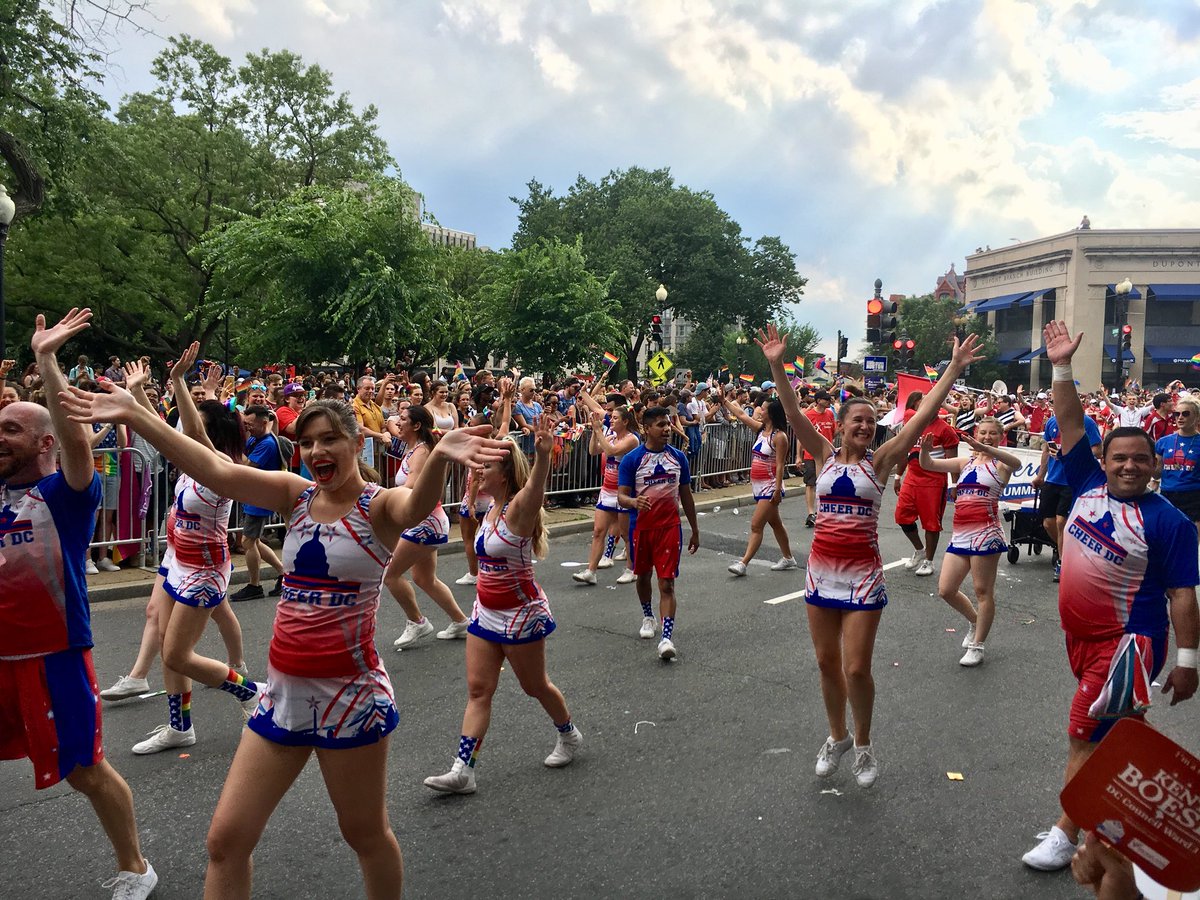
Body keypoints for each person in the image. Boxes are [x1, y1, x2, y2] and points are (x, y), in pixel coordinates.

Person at [61, 362, 508, 899]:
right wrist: (140, 414)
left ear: (354, 443)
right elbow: (215, 470)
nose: (318, 452)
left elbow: (415, 506)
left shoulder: (378, 507)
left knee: (364, 835)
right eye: (308, 442)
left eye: (330, 440)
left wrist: (436, 457)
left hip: (351, 697)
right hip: (282, 697)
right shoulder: (296, 496)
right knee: (225, 840)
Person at [760, 322, 983, 789]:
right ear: (841, 426)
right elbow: (792, 410)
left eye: (869, 421)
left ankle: (862, 744)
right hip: (820, 574)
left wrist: (954, 370)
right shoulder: (821, 455)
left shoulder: (879, 461)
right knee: (825, 664)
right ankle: (836, 737)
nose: (864, 425)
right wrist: (778, 364)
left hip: (863, 577)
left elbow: (922, 418)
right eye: (855, 420)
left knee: (856, 666)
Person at [1021, 320, 1198, 872]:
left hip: (1129, 646)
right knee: (1120, 731)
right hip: (1080, 639)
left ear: (1155, 465)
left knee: (1083, 731)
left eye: (1140, 459)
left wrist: (1189, 661)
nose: (1128, 465)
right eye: (1118, 457)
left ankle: (1065, 831)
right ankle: (1157, 817)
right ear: (1102, 461)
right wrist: (1062, 367)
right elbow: (1071, 418)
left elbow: (1182, 596)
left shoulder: (1169, 523)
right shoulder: (1084, 483)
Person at [1, 309, 158, 898]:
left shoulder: (64, 495)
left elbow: (76, 445)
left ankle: (136, 867)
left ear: (43, 442)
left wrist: (46, 361)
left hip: (53, 654)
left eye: (11, 429)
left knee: (85, 771)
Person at [423, 412, 582, 795]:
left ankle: (569, 734)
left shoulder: (517, 510)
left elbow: (535, 491)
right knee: (479, 690)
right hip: (486, 612)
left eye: (487, 466)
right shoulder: (490, 509)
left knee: (535, 686)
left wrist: (543, 456)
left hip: (520, 615)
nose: (479, 470)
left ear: (506, 475)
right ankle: (463, 770)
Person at [121, 347, 258, 755]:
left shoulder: (224, 464)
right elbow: (158, 429)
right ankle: (180, 728)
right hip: (176, 562)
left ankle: (252, 691)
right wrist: (137, 392)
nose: (188, 424)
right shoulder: (193, 457)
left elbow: (192, 435)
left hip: (204, 569)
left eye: (197, 419)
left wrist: (179, 381)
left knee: (178, 654)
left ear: (212, 430)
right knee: (167, 646)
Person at [917, 418, 1021, 666]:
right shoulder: (966, 462)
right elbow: (929, 464)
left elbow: (1016, 463)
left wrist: (987, 449)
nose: (987, 437)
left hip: (987, 534)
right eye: (983, 433)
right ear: (976, 433)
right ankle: (975, 621)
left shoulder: (1000, 464)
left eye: (992, 434)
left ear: (1000, 437)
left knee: (982, 591)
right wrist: (924, 448)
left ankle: (978, 645)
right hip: (961, 534)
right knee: (946, 589)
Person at [617, 406, 700, 659]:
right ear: (647, 429)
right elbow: (620, 496)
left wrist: (695, 530)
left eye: (668, 424)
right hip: (640, 528)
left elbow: (686, 495)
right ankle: (648, 615)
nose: (667, 429)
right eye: (661, 425)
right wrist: (633, 502)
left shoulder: (678, 458)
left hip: (669, 528)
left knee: (667, 583)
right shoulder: (632, 459)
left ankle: (666, 638)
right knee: (643, 577)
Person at [387, 405, 471, 647]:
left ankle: (417, 622)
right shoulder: (414, 449)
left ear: (416, 426)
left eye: (403, 419)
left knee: (390, 574)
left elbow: (410, 487)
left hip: (426, 522)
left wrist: (379, 498)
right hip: (424, 520)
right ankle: (460, 621)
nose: (397, 423)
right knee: (424, 578)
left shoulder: (422, 452)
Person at [720, 389, 797, 575]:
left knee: (756, 525)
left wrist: (778, 490)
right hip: (758, 485)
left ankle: (743, 563)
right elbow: (739, 414)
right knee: (776, 523)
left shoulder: (779, 437)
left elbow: (780, 465)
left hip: (771, 486)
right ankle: (788, 558)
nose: (759, 411)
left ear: (771, 413)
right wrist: (724, 402)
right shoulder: (761, 430)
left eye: (763, 409)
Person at [1033, 402, 1103, 583]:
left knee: (1061, 520)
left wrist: (1074, 453)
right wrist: (1041, 475)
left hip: (1073, 480)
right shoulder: (1051, 423)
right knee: (1048, 523)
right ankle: (1065, 549)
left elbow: (1098, 449)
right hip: (1053, 479)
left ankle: (1064, 562)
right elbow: (1047, 449)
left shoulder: (1086, 422)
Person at [572, 401, 640, 586]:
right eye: (611, 418)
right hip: (607, 489)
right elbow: (594, 450)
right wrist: (596, 432)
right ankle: (590, 571)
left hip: (624, 491)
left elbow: (611, 451)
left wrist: (599, 431)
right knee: (598, 531)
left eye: (615, 418)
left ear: (625, 421)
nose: (611, 420)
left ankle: (631, 569)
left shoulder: (632, 439)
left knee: (626, 534)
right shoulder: (609, 436)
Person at [893, 389, 960, 577]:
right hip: (912, 478)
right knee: (902, 517)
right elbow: (903, 452)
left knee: (931, 524)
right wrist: (898, 476)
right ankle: (919, 549)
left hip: (933, 481)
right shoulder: (912, 424)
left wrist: (954, 486)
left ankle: (929, 561)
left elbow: (952, 461)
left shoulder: (946, 430)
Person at [229, 405, 286, 601]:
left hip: (261, 497)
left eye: (250, 425)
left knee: (247, 541)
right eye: (246, 424)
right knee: (254, 541)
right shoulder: (257, 437)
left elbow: (246, 466)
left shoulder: (267, 443)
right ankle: (283, 573)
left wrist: (234, 448)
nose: (248, 428)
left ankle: (254, 585)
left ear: (263, 423)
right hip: (253, 495)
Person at [1155, 396, 1200, 530]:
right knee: (1168, 537)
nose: (1180, 417)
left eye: (1186, 414)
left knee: (1192, 539)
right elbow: (1156, 473)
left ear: (1197, 417)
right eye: (1177, 414)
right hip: (1168, 494)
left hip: (1194, 496)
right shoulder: (1163, 442)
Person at [802, 391, 836, 527]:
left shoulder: (830, 414)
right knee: (811, 483)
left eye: (830, 399)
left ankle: (822, 511)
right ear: (818, 400)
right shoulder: (808, 415)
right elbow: (801, 435)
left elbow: (833, 432)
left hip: (827, 455)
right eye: (826, 399)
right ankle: (811, 513)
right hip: (811, 454)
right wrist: (799, 455)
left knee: (826, 484)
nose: (829, 401)